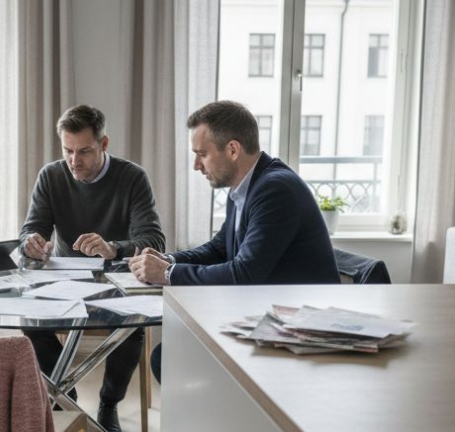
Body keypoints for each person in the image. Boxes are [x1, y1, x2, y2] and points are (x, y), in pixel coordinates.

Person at [128, 100, 340, 382]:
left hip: (298, 331)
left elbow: (244, 273)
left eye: (202, 154)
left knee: (169, 358)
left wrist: (167, 274)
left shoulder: (275, 190)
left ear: (232, 149)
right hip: (267, 316)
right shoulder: (246, 186)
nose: (195, 165)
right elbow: (219, 249)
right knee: (170, 353)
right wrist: (170, 260)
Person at [19, 104, 165, 432]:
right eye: (68, 151)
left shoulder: (132, 177)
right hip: (63, 281)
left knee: (133, 328)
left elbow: (154, 239)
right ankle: (64, 399)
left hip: (117, 279)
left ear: (104, 143)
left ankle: (108, 404)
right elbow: (32, 228)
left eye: (84, 151)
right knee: (28, 323)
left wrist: (115, 247)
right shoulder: (51, 176)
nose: (74, 161)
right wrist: (33, 243)